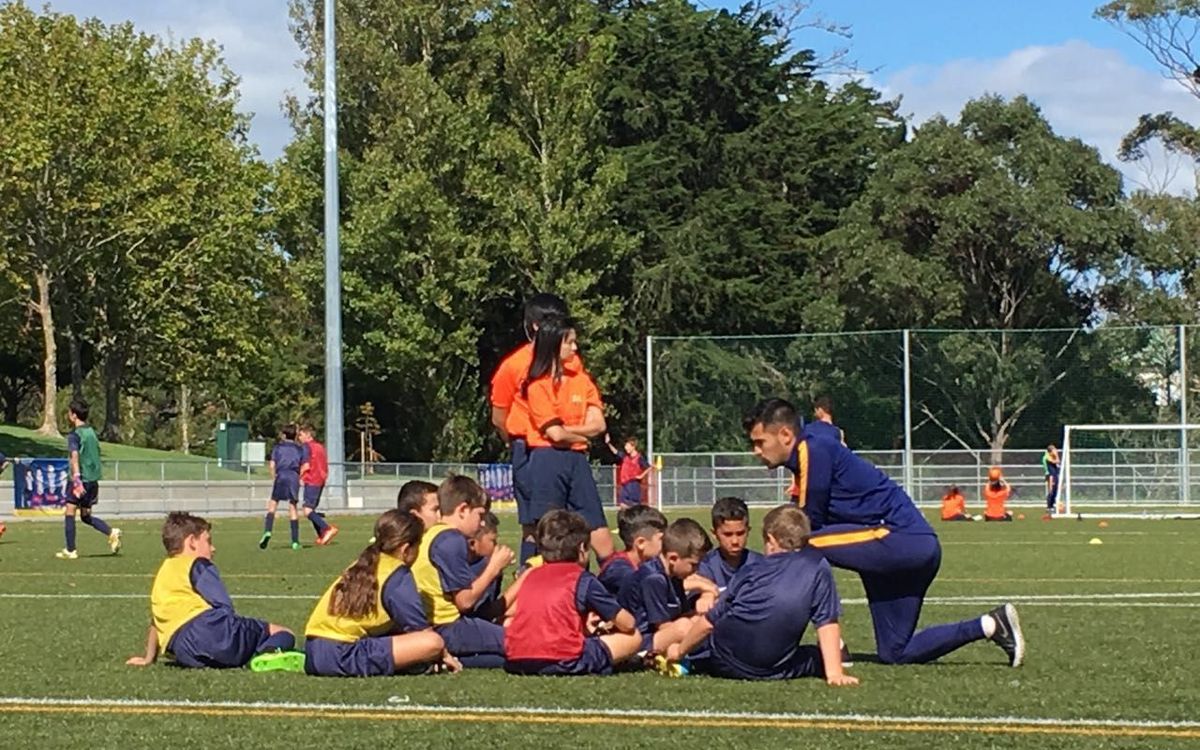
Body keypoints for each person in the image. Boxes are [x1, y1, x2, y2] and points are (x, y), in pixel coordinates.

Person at [743, 398, 1025, 667]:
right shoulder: (814, 442)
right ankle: (991, 624)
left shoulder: (810, 451)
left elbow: (804, 525)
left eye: (759, 442)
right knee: (895, 652)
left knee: (797, 545)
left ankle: (830, 646)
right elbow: (827, 430)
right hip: (914, 549)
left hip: (899, 539)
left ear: (785, 435)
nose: (756, 451)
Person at [666, 505, 857, 685]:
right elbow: (826, 622)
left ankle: (689, 660)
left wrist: (680, 650)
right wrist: (835, 673)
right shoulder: (817, 566)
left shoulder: (751, 570)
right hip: (775, 669)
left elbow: (709, 622)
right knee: (814, 655)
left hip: (724, 662)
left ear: (771, 540)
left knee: (708, 639)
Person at [127, 512, 299, 671]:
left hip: (182, 649)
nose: (213, 548)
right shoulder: (197, 564)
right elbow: (224, 607)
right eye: (208, 541)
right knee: (283, 632)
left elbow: (155, 621)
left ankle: (249, 655)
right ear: (192, 542)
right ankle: (267, 654)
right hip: (211, 629)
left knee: (225, 650)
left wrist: (149, 658)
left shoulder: (163, 573)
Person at [304, 510, 456, 677]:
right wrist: (445, 655)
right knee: (433, 642)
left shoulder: (364, 562)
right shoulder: (397, 574)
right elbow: (421, 631)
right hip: (343, 654)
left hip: (313, 652)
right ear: (406, 549)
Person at [522, 316, 616, 563]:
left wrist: (568, 432)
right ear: (553, 344)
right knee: (549, 537)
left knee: (600, 535)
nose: (575, 348)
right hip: (547, 462)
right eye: (569, 342)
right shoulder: (536, 386)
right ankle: (534, 587)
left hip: (577, 460)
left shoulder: (582, 381)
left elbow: (599, 425)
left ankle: (610, 589)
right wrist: (579, 433)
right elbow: (555, 434)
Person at [505, 510, 643, 676]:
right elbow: (627, 623)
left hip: (517, 659)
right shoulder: (582, 578)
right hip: (564, 659)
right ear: (582, 548)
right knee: (634, 637)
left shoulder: (530, 575)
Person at [490, 293, 571, 564]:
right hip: (528, 448)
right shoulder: (514, 365)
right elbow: (499, 415)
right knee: (534, 524)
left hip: (563, 448)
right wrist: (514, 442)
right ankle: (528, 577)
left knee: (567, 523)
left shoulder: (570, 361)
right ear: (537, 326)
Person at [410, 475, 513, 667]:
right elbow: (465, 601)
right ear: (463, 510)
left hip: (431, 626)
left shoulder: (431, 533)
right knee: (519, 642)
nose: (482, 523)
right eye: (480, 515)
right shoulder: (452, 539)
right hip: (448, 625)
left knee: (501, 657)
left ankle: (439, 658)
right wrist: (493, 567)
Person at [617, 518, 716, 655]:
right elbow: (663, 626)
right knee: (685, 627)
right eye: (693, 564)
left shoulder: (674, 574)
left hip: (660, 633)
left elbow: (683, 612)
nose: (696, 570)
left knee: (704, 618)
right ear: (673, 559)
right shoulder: (654, 579)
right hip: (640, 640)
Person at [56, 399, 121, 560]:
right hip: (93, 480)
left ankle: (71, 550)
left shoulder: (74, 435)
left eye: (70, 412)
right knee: (85, 515)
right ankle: (111, 532)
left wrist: (77, 478)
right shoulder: (91, 432)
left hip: (81, 478)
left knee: (70, 511)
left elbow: (75, 455)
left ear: (74, 415)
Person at [597, 505, 667, 596]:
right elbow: (650, 588)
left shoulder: (645, 563)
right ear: (641, 543)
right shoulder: (619, 570)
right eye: (661, 539)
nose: (666, 543)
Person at [698, 496, 764, 590]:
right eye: (728, 534)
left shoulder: (761, 564)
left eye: (740, 533)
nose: (735, 541)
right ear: (714, 534)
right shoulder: (705, 566)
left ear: (748, 531)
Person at [260, 424, 305, 550]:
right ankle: (295, 541)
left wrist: (274, 476)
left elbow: (272, 464)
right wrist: (299, 477)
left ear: (284, 435)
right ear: (295, 435)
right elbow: (304, 465)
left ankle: (268, 530)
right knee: (293, 507)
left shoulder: (278, 448)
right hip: (293, 476)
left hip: (281, 475)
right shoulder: (299, 449)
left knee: (273, 504)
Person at [299, 425, 338, 546]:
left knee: (307, 510)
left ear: (307, 435)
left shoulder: (307, 447)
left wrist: (299, 476)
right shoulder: (320, 447)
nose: (299, 438)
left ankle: (327, 528)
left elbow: (306, 465)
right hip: (320, 479)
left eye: (300, 435)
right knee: (311, 510)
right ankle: (321, 535)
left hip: (312, 480)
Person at [466, 512, 506, 622]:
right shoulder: (482, 566)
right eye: (492, 541)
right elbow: (483, 613)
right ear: (473, 543)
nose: (496, 546)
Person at [605, 434, 651, 508]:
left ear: (633, 446)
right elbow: (615, 452)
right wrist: (608, 443)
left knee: (634, 506)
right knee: (623, 505)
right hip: (625, 484)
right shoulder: (625, 457)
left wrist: (641, 476)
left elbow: (648, 467)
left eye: (627, 446)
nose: (625, 448)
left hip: (633, 484)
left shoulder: (639, 458)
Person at [1043, 444, 1061, 517]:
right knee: (1051, 490)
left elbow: (1057, 462)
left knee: (1055, 490)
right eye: (1054, 450)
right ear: (1050, 451)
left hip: (1055, 475)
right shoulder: (1047, 457)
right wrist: (1056, 455)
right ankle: (1049, 507)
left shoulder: (1052, 456)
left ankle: (1052, 505)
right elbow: (1056, 461)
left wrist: (1055, 456)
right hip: (1050, 475)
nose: (1056, 451)